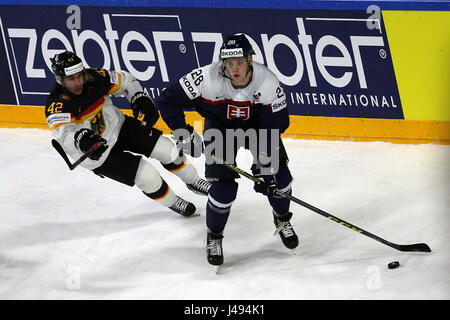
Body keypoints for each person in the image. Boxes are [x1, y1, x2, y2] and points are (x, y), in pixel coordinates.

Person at [155, 34, 298, 266]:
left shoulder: (268, 82)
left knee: (280, 179)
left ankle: (282, 219)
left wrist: (263, 166)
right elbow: (167, 100)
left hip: (258, 127)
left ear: (250, 60)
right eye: (229, 63)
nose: (234, 68)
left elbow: (277, 123)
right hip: (220, 128)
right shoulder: (206, 77)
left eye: (240, 62)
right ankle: (214, 235)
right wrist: (183, 133)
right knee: (223, 189)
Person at [45, 51, 211, 217]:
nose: (78, 82)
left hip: (119, 126)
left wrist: (139, 97)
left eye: (79, 75)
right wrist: (81, 139)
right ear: (60, 79)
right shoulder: (57, 104)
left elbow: (125, 80)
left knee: (166, 149)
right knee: (147, 176)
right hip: (96, 152)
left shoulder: (95, 77)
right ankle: (174, 202)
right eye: (71, 79)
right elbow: (63, 135)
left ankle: (194, 180)